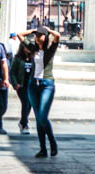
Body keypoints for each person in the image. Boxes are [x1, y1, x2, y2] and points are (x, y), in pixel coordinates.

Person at [20, 25, 60, 157]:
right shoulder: (33, 48)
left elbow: (58, 36)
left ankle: (52, 142)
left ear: (46, 36)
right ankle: (43, 148)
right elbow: (20, 35)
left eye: (40, 35)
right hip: (33, 84)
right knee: (38, 118)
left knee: (43, 115)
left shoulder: (50, 48)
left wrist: (48, 30)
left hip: (47, 84)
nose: (37, 38)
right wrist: (32, 31)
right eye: (36, 36)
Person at [9, 34, 33, 133]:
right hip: (21, 85)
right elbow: (12, 72)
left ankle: (22, 122)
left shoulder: (33, 58)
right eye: (27, 47)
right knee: (25, 103)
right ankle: (24, 124)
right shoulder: (18, 58)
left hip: (31, 85)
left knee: (30, 104)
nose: (29, 49)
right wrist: (15, 83)